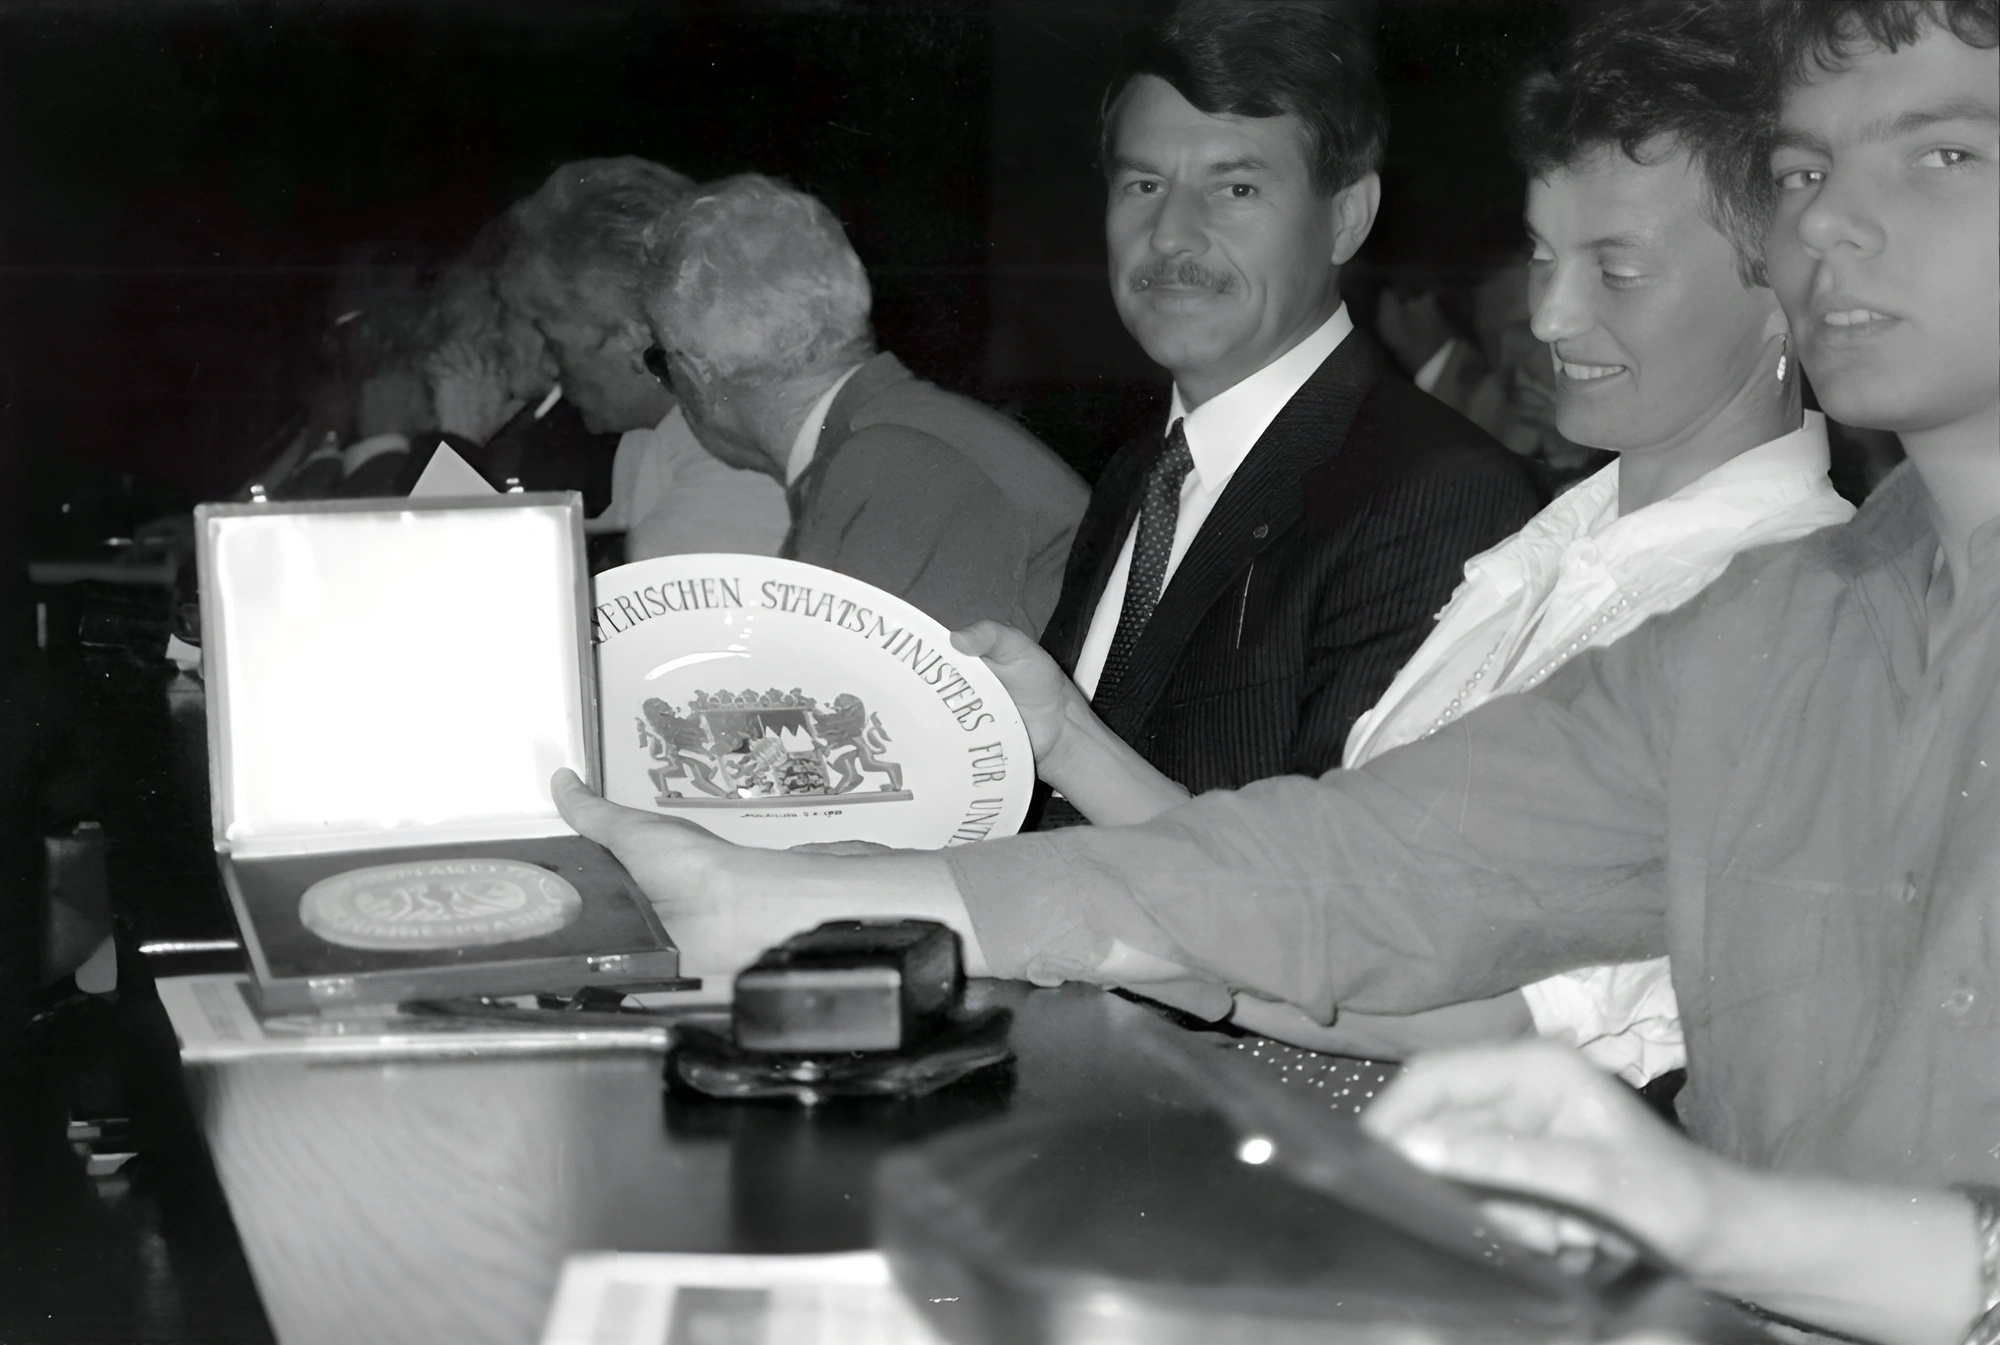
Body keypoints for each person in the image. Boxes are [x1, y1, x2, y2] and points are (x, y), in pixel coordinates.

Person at [551, 1, 1999, 1337]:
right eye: (1804, 175)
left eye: (1942, 153)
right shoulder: (1760, 626)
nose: (1836, 230)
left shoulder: (1671, 564)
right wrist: (775, 898)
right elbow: (1348, 869)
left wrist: (1721, 1224)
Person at [1229, 0, 1857, 1082]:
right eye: (1538, 251)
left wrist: (1119, 933)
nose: (1550, 317)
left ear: (1783, 298)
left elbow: (1500, 1019)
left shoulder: (1801, 607)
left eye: (1613, 270)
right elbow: (1331, 870)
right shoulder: (1544, 550)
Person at [1019, 0, 1541, 827]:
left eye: (1235, 186)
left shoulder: (1438, 494)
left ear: (1346, 218)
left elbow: (1337, 897)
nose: (1170, 236)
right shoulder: (1141, 475)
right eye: (1143, 184)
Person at [642, 174, 1088, 635]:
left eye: (659, 360)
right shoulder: (890, 440)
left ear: (697, 375)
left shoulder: (893, 466)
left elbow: (870, 704)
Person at [500, 158, 791, 561]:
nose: (552, 370)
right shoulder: (654, 436)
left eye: (556, 342)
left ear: (635, 334)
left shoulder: (738, 467)